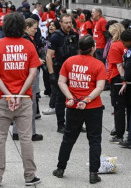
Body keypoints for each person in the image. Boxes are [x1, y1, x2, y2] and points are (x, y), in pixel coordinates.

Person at [0, 12, 41, 187]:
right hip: (24, 98)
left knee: (0, 138)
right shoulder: (29, 46)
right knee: (26, 138)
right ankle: (30, 176)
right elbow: (33, 73)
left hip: (2, 98)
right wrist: (19, 93)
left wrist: (8, 94)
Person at [52, 35, 106, 184]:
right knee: (94, 140)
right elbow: (100, 87)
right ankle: (93, 173)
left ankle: (60, 169)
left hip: (73, 106)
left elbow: (61, 82)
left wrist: (71, 98)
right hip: (93, 107)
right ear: (93, 48)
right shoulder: (98, 64)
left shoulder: (69, 61)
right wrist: (87, 99)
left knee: (68, 138)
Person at [12, 18, 44, 141]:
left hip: (22, 74)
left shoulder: (22, 39)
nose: (36, 31)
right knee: (30, 103)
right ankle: (30, 132)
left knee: (20, 103)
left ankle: (16, 131)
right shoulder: (27, 41)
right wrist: (38, 61)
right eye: (34, 28)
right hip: (29, 74)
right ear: (26, 27)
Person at [46, 14, 79, 133]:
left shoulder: (75, 34)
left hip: (74, 70)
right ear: (61, 23)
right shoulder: (56, 36)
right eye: (66, 23)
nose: (69, 25)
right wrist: (51, 74)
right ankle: (61, 124)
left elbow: (78, 51)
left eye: (70, 22)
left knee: (76, 96)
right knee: (61, 98)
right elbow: (49, 55)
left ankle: (76, 123)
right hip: (60, 69)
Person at [107, 23, 131, 144]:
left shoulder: (115, 46)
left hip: (118, 78)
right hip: (130, 78)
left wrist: (123, 80)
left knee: (118, 108)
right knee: (130, 108)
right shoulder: (129, 45)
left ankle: (119, 133)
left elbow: (118, 65)